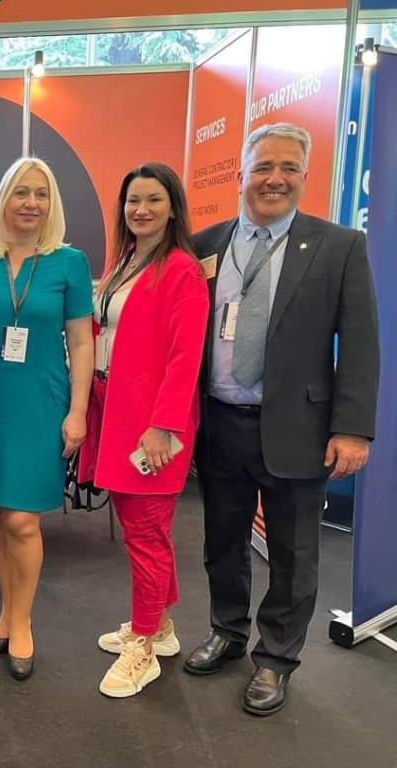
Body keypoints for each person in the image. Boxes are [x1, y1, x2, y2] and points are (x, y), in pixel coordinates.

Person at [185, 123, 379, 716]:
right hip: (220, 423)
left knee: (294, 554)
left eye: (289, 167)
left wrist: (352, 428)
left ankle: (275, 658)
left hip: (300, 427)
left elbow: (361, 343)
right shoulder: (204, 244)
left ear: (304, 176)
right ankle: (227, 630)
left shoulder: (339, 246)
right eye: (264, 166)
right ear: (241, 174)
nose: (275, 178)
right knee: (222, 542)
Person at [79, 163, 208, 698]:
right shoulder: (126, 261)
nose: (141, 210)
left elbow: (185, 357)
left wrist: (163, 426)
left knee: (147, 534)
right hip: (114, 410)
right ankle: (160, 626)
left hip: (152, 423)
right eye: (133, 200)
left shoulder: (182, 270)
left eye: (154, 200)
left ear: (173, 208)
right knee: (143, 528)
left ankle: (144, 647)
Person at [0, 157, 94, 681]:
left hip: (42, 403)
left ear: (52, 203)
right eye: (21, 192)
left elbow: (81, 342)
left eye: (41, 194)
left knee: (23, 519)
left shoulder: (69, 263)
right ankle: (6, 610)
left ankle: (22, 622)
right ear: (4, 199)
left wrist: (78, 411)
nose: (31, 203)